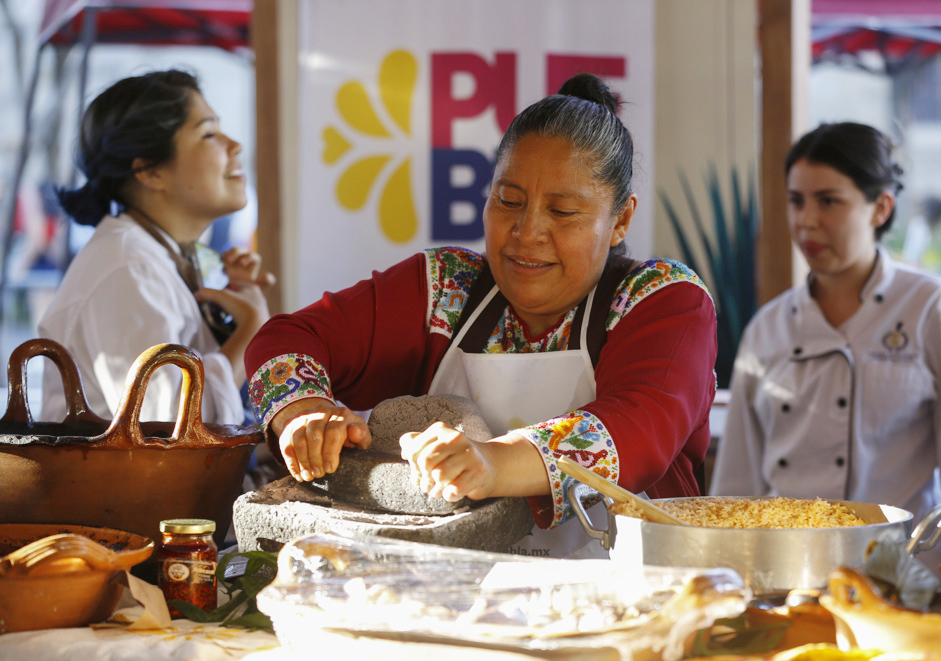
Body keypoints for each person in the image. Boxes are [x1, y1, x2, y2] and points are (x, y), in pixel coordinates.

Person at [245, 73, 717, 558]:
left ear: (620, 220)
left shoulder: (662, 300)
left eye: (563, 212)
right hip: (458, 595)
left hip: (637, 597)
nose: (527, 231)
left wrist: (493, 462)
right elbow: (287, 337)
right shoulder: (445, 288)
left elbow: (641, 426)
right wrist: (303, 412)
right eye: (508, 201)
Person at [710, 122, 941, 564]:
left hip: (904, 581)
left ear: (880, 208)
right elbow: (735, 493)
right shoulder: (767, 329)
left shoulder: (932, 309)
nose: (806, 220)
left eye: (828, 201)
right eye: (796, 201)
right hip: (787, 580)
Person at [38, 69, 273, 426]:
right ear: (151, 172)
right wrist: (251, 329)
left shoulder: (148, 256)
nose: (235, 145)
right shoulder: (127, 267)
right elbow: (163, 427)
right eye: (208, 133)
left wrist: (236, 305)